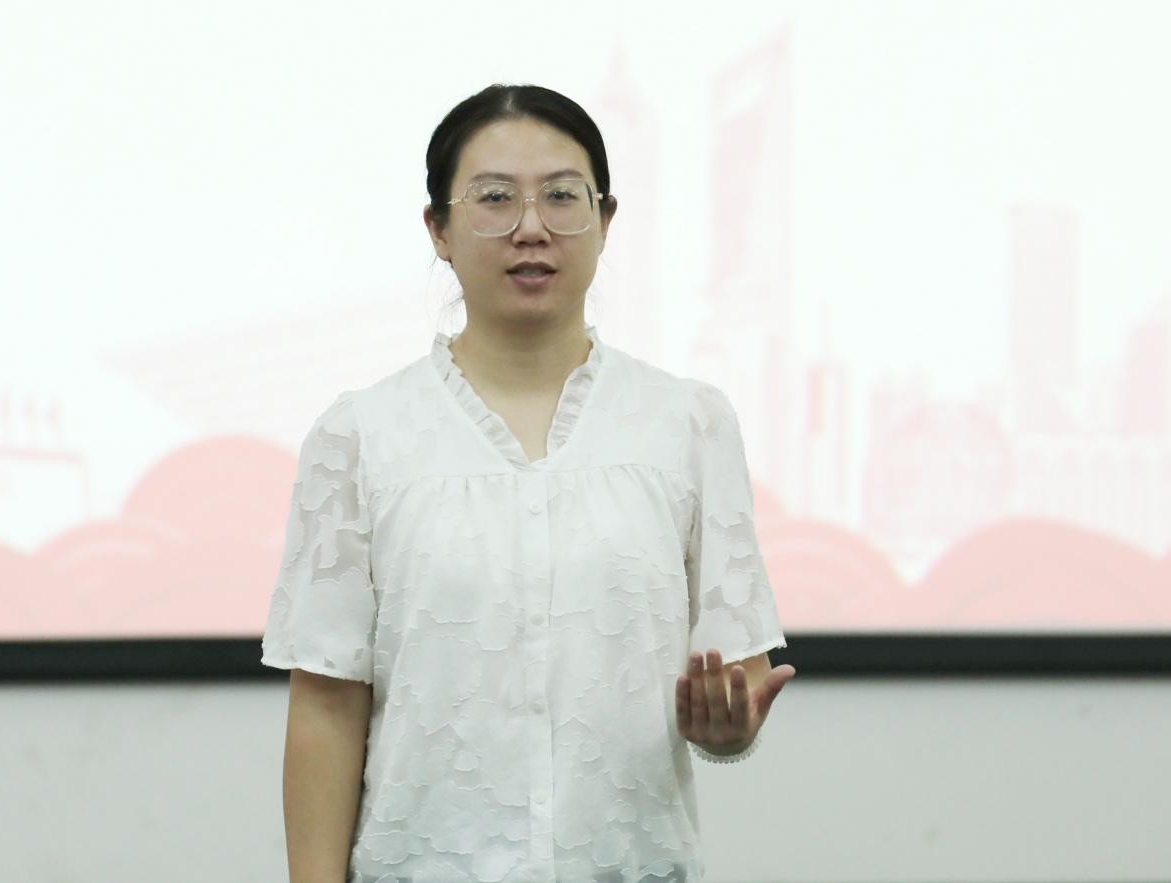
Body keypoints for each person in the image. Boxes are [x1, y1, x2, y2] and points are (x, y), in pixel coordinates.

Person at [262, 83, 796, 883]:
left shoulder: (688, 423)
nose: (531, 227)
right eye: (494, 199)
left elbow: (738, 676)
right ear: (438, 229)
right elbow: (327, 704)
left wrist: (729, 731)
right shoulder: (360, 436)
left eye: (562, 196)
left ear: (605, 220)